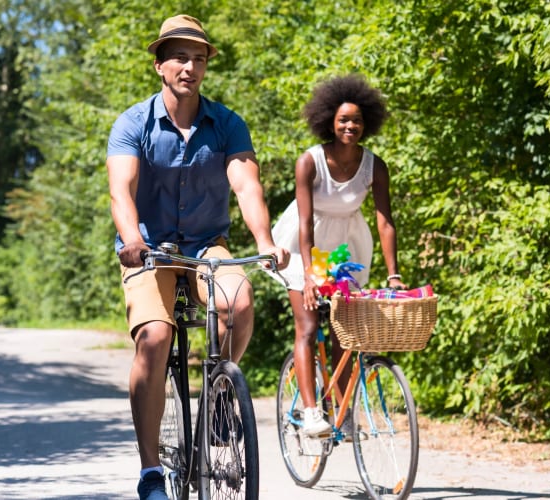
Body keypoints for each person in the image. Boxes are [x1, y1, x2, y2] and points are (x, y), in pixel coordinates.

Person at [106, 14, 289, 500]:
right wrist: (130, 238)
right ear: (160, 64)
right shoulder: (133, 123)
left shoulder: (227, 124)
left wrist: (265, 240)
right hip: (148, 247)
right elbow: (120, 192)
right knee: (156, 337)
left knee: (239, 302)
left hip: (207, 243)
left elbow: (246, 185)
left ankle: (216, 404)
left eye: (199, 58)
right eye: (180, 57)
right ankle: (150, 471)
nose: (190, 66)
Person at [271, 74, 407, 437]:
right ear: (329, 121)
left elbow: (385, 221)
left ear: (367, 124)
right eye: (344, 120)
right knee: (309, 326)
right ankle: (312, 411)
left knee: (342, 336)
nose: (351, 126)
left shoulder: (374, 166)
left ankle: (342, 413)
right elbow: (304, 223)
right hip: (305, 246)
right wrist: (311, 275)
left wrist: (393, 273)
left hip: (347, 248)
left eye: (357, 120)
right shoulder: (310, 162)